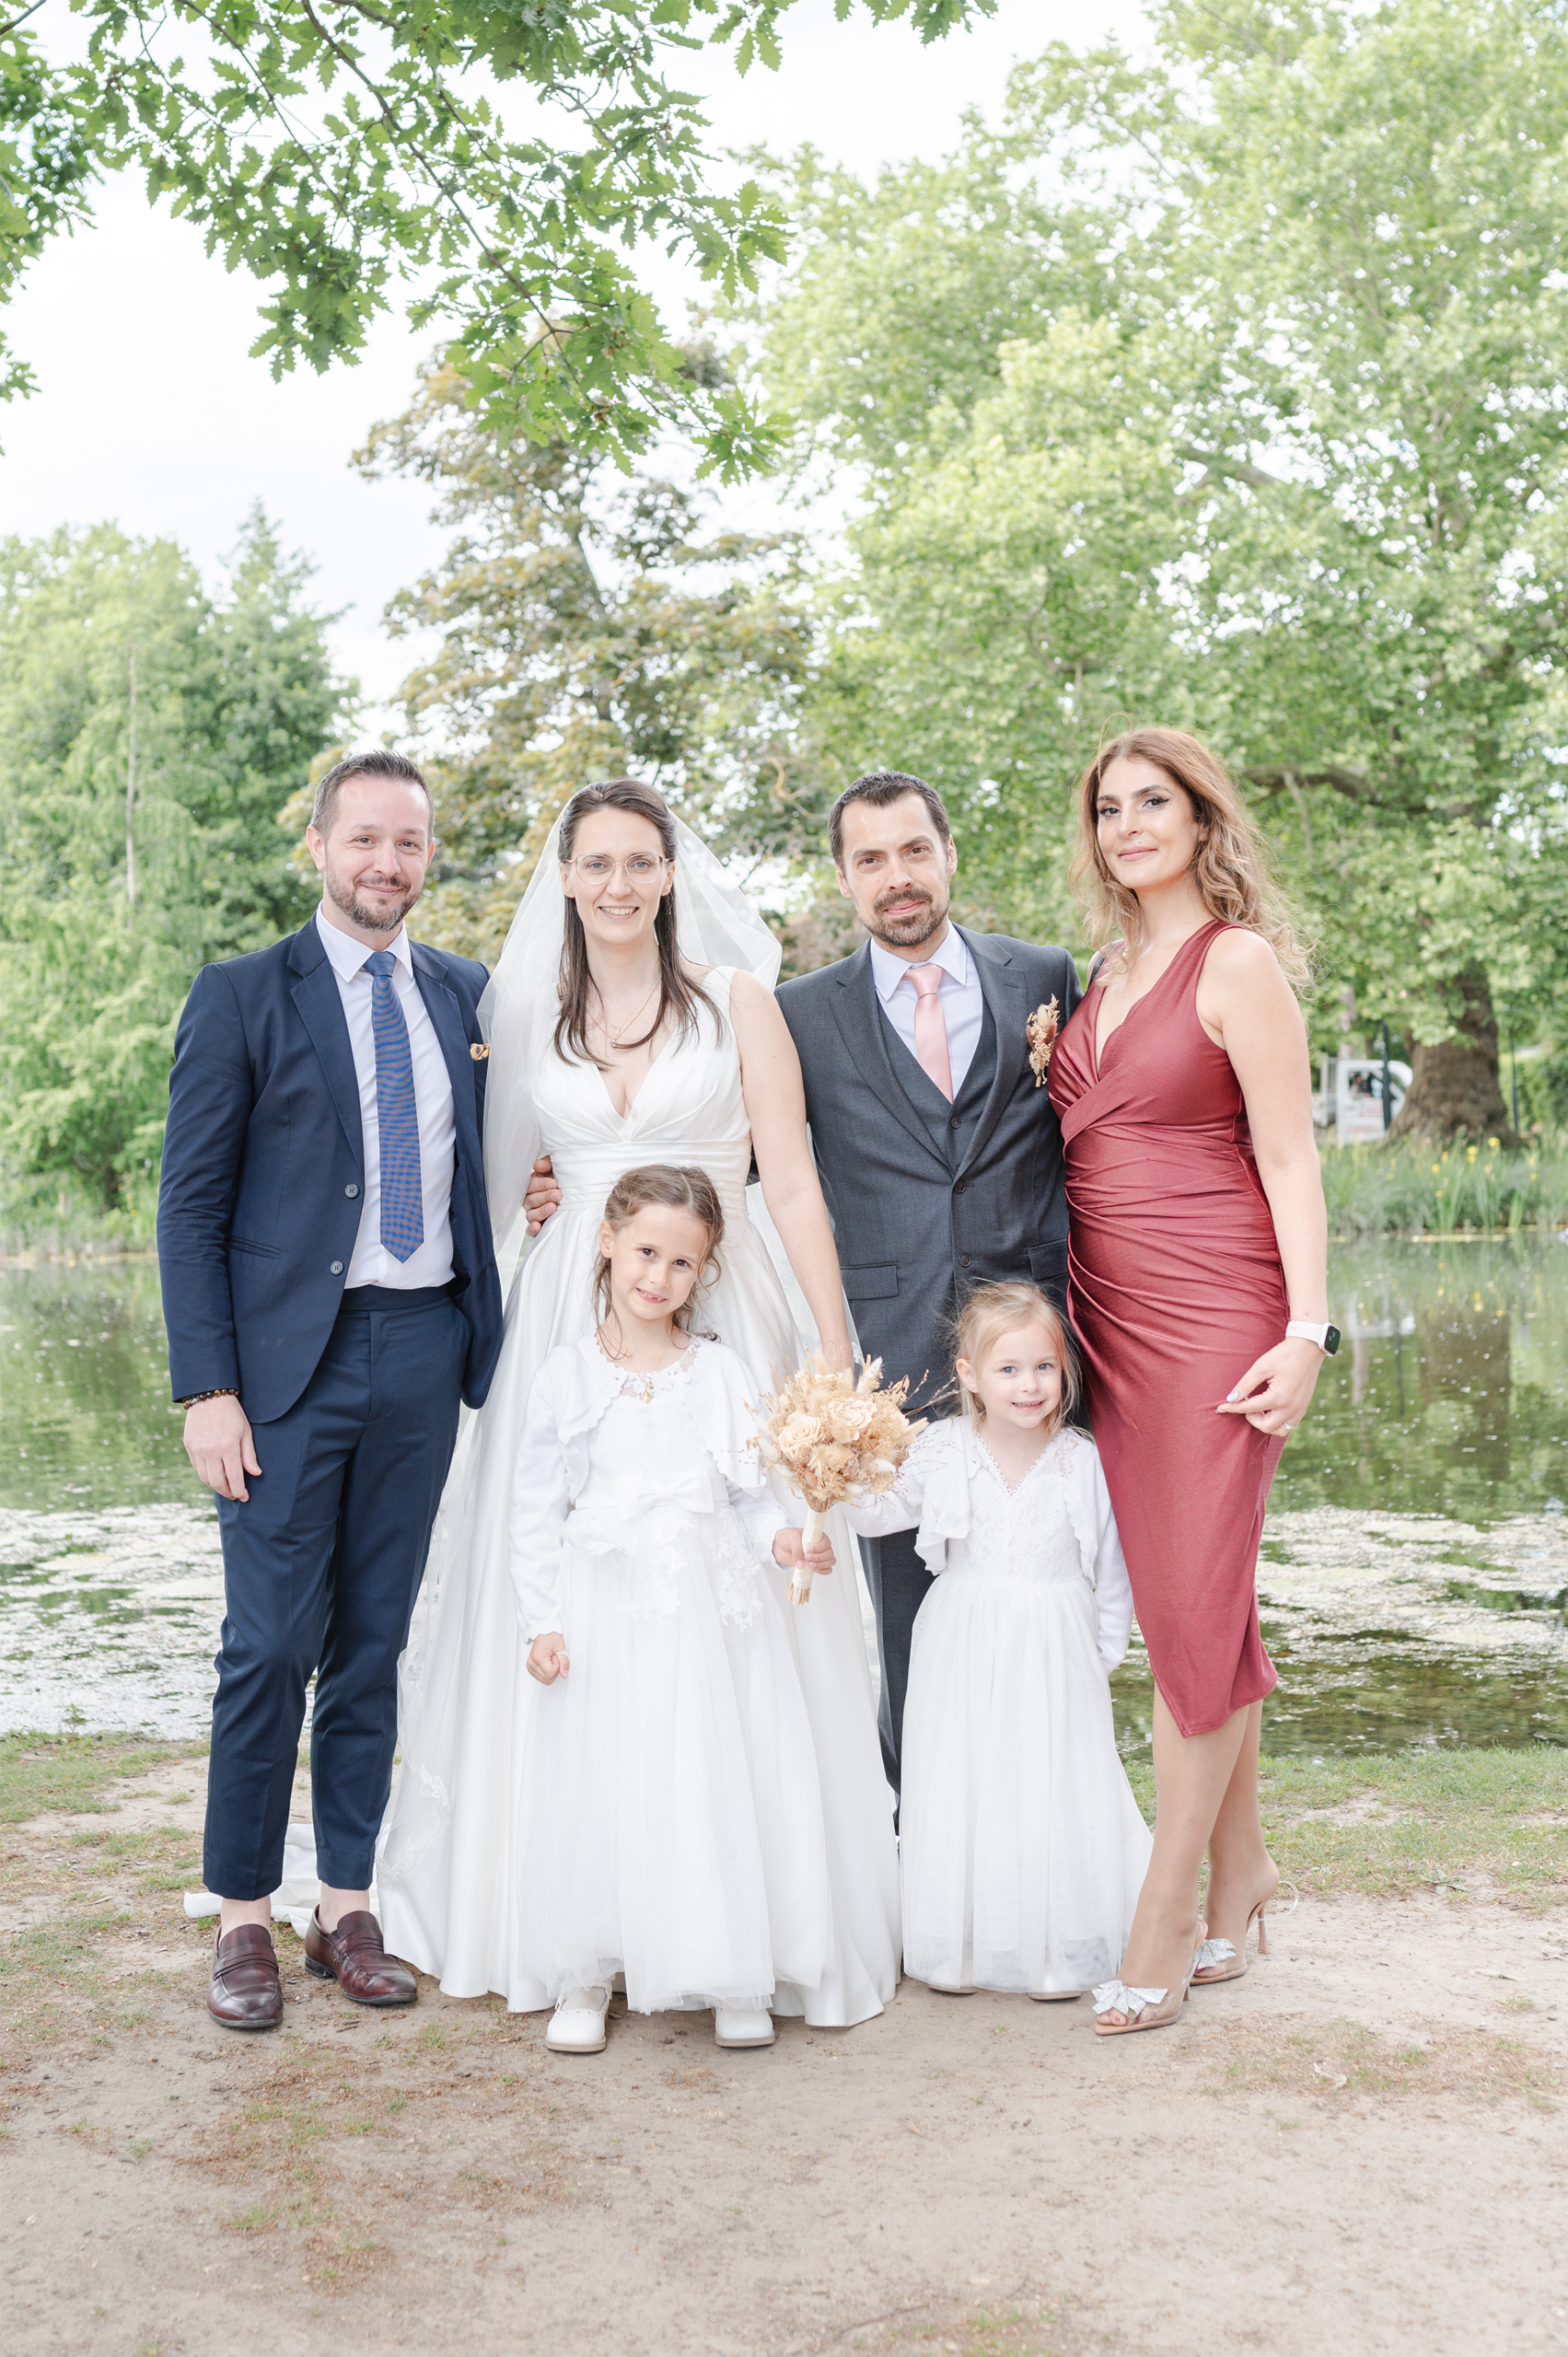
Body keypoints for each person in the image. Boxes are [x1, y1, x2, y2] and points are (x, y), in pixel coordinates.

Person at [378, 780, 900, 2027]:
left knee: (738, 1603)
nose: (616, 884)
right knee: (573, 1585)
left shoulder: (734, 1005)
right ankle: (568, 1917)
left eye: (639, 862)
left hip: (725, 1311)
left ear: (671, 876)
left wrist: (827, 1345)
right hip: (571, 1313)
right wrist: (539, 1223)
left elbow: (792, 1186)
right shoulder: (527, 1018)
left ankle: (746, 1919)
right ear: (563, 877)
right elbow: (491, 1189)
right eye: (594, 863)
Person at [157, 749, 503, 2031]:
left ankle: (344, 1904)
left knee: (372, 1646)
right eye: (363, 839)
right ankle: (242, 1913)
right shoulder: (243, 996)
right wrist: (208, 1387)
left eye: (408, 843)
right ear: (317, 846)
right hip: (282, 1371)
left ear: (428, 856)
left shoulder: (467, 995)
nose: (386, 864)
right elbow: (189, 1209)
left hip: (423, 1353)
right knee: (268, 1648)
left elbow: (494, 1160)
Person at [1046, 727, 1330, 2038]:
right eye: (1107, 811)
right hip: (1106, 1317)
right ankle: (1240, 1872)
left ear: (1201, 818)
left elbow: (1287, 1158)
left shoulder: (1234, 962)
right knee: (1198, 1615)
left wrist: (1307, 1331)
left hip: (1218, 1320)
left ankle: (1159, 1917)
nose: (1125, 828)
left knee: (1189, 1613)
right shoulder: (1106, 971)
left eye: (1150, 803)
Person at [514, 1166, 842, 2055]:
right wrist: (540, 1620)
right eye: (647, 1253)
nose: (658, 1277)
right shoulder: (566, 1376)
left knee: (708, 1772)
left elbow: (748, 1500)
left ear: (703, 1276)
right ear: (608, 1243)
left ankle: (731, 1964)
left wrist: (787, 1543)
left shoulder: (719, 1371)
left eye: (682, 1264)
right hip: (605, 1605)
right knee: (606, 1777)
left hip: (706, 1605)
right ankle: (586, 1972)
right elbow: (536, 1510)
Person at [842, 1282, 1149, 1999]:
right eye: (1008, 1370)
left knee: (1047, 1779)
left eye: (1043, 1367)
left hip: (1053, 1641)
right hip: (964, 1640)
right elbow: (875, 1516)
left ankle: (1052, 1943)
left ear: (1064, 1372)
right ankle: (960, 1942)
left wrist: (1102, 1652)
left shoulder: (1081, 1459)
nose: (1028, 1385)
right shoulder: (944, 1448)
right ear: (969, 1376)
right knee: (966, 1777)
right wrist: (840, 1467)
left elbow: (1112, 1567)